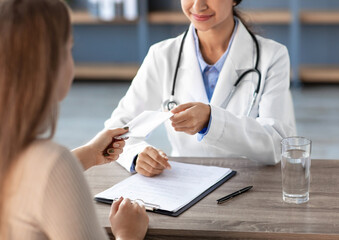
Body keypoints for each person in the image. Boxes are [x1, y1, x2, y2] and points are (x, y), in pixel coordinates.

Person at [0, 0, 148, 239]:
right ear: (47, 65)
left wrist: (89, 153)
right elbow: (44, 175)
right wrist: (128, 234)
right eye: (69, 48)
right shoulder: (51, 164)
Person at [105, 0, 296, 177]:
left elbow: (278, 144)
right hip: (182, 181)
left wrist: (211, 120)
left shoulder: (272, 57)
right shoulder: (162, 55)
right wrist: (137, 155)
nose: (198, 6)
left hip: (249, 182)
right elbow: (116, 129)